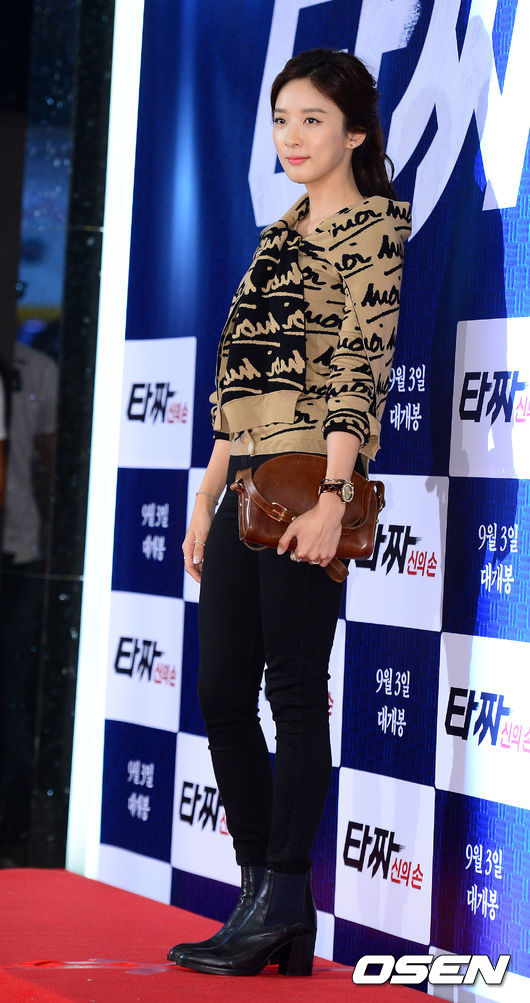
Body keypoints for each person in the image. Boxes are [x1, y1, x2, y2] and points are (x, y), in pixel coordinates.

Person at [168, 47, 411, 977]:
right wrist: (205, 496)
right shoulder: (276, 235)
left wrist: (337, 497)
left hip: (312, 479)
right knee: (221, 694)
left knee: (295, 690)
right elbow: (239, 383)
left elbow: (360, 369)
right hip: (244, 481)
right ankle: (265, 900)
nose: (292, 136)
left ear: (355, 133)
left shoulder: (374, 230)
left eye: (312, 119)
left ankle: (279, 895)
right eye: (281, 119)